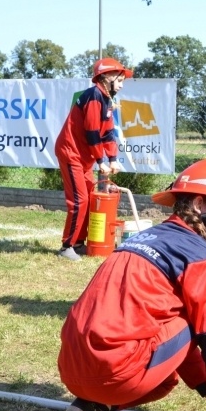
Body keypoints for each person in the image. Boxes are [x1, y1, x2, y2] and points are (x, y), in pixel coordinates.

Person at [57, 159, 206, 411]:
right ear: (199, 204)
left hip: (72, 369)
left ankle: (92, 406)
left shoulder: (143, 238)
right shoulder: (198, 254)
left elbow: (176, 341)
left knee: (167, 377)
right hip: (118, 372)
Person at [55, 57, 133, 261]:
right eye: (121, 79)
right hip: (71, 152)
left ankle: (79, 242)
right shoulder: (93, 96)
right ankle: (66, 246)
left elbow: (107, 133)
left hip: (84, 156)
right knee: (79, 201)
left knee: (89, 199)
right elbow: (92, 132)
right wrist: (101, 161)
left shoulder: (106, 99)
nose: (122, 85)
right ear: (107, 77)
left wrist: (113, 158)